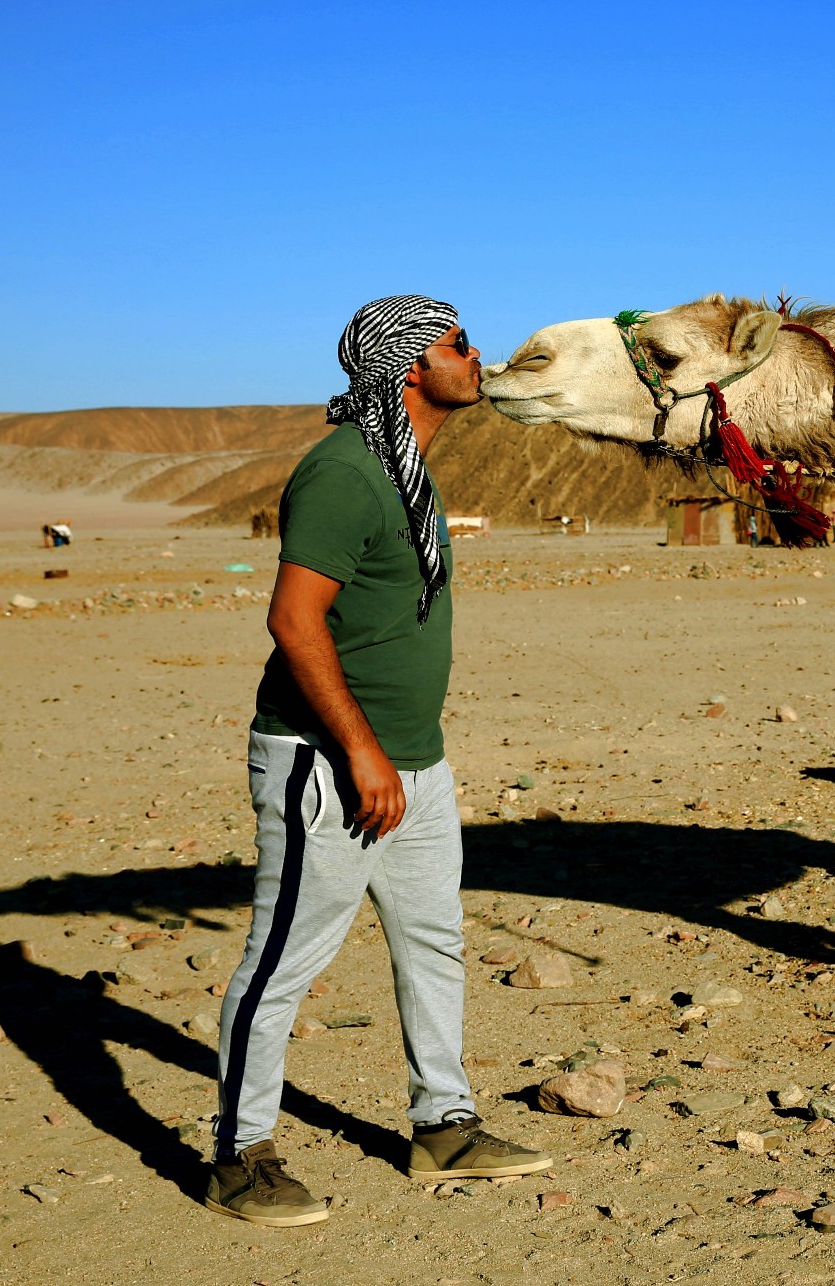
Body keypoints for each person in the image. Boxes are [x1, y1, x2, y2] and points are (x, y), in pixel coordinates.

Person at [206, 296, 551, 1228]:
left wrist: (401, 755)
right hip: (329, 761)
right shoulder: (347, 475)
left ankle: (444, 1126)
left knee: (434, 942)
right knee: (282, 958)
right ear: (409, 366)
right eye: (458, 342)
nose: (478, 354)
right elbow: (291, 618)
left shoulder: (407, 468)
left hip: (415, 763)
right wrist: (360, 749)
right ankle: (239, 1154)